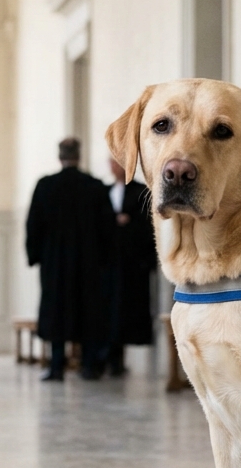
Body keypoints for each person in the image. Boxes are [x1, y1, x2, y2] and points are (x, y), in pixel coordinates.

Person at [25, 138, 115, 381]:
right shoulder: (94, 187)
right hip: (89, 262)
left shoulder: (46, 186)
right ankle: (87, 365)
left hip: (54, 262)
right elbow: (107, 228)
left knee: (57, 310)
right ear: (79, 155)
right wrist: (104, 259)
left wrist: (34, 255)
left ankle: (56, 366)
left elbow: (34, 224)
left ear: (59, 156)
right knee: (88, 310)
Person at [104, 156, 157, 376]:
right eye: (112, 164)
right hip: (108, 264)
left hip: (132, 265)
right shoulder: (104, 191)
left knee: (127, 310)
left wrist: (128, 223)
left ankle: (119, 359)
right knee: (108, 310)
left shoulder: (140, 191)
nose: (114, 168)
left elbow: (148, 225)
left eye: (118, 164)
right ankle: (107, 356)